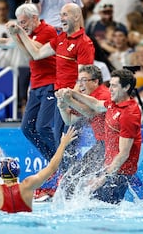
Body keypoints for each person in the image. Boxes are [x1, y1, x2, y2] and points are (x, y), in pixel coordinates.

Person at [0, 3, 57, 162]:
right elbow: (6, 43)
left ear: (34, 18)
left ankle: (61, 159)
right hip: (35, 86)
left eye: (24, 22)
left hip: (51, 84)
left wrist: (19, 33)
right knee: (27, 128)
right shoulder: (27, 31)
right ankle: (53, 162)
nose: (22, 25)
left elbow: (35, 52)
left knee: (42, 127)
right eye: (20, 22)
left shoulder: (47, 30)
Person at [8, 3, 95, 147]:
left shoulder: (84, 43)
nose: (61, 18)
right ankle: (59, 167)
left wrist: (72, 99)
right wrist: (21, 32)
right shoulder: (60, 39)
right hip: (60, 97)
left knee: (68, 141)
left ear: (77, 16)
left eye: (65, 14)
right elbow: (36, 54)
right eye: (60, 15)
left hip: (72, 98)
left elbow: (83, 79)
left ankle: (66, 168)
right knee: (60, 139)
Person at [61, 69, 142, 204]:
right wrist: (74, 93)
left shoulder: (129, 114)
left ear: (126, 87)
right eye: (110, 85)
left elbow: (123, 154)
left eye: (114, 86)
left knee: (100, 209)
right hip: (110, 169)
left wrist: (102, 178)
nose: (110, 89)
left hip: (119, 174)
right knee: (92, 205)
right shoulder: (113, 102)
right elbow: (96, 104)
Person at [0, 126, 78, 213]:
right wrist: (63, 144)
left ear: (0, 174)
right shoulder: (27, 185)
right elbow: (52, 167)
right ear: (18, 171)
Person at [56, 65, 110, 197]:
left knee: (80, 181)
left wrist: (69, 99)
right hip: (101, 145)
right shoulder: (87, 96)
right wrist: (62, 106)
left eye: (83, 80)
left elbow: (91, 112)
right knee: (71, 180)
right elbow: (69, 120)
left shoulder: (103, 94)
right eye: (78, 81)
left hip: (111, 146)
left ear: (95, 81)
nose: (79, 85)